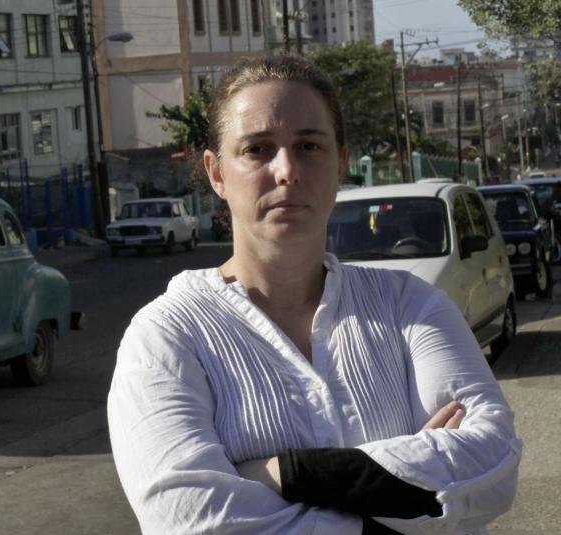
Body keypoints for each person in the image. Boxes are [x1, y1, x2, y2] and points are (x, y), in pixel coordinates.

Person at [107, 56, 520, 534]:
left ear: (340, 162)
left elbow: (494, 460)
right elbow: (190, 520)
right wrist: (405, 501)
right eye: (257, 149)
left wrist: (290, 473)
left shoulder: (411, 305)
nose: (287, 171)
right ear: (216, 173)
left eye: (308, 145)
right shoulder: (166, 336)